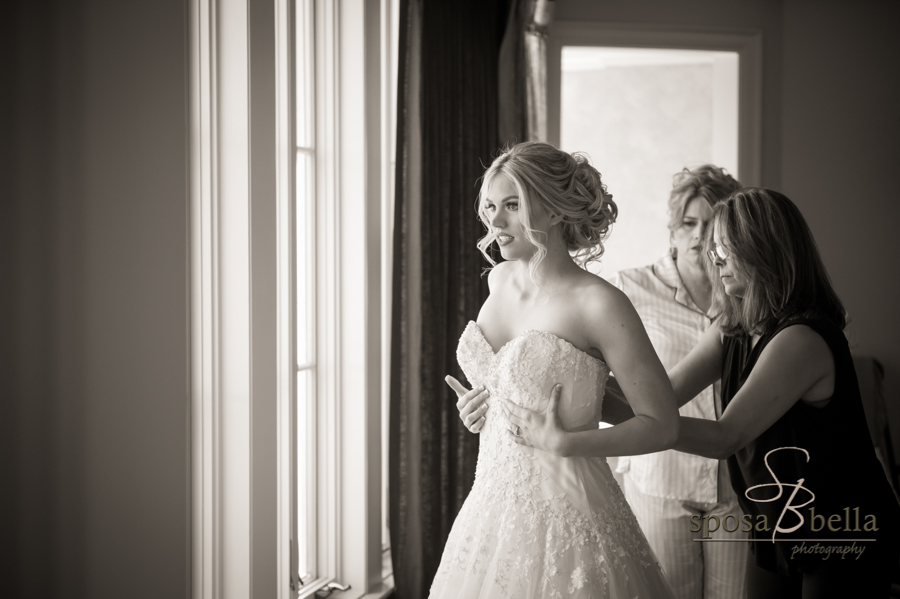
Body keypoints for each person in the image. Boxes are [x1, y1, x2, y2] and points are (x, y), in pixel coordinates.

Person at [504, 188, 900, 598]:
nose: (716, 261)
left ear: (763, 250)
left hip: (841, 526)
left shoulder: (801, 339)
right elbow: (662, 397)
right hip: (775, 522)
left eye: (726, 250)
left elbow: (724, 438)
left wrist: (623, 431)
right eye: (715, 251)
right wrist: (565, 382)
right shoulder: (730, 327)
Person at [430, 141, 679, 598]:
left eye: (511, 206)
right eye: (490, 207)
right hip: (491, 508)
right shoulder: (499, 279)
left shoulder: (600, 303)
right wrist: (480, 411)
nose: (495, 222)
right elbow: (511, 387)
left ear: (554, 209)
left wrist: (569, 442)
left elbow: (662, 425)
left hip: (573, 514)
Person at [609, 165, 748, 599]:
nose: (699, 237)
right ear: (672, 229)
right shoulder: (629, 290)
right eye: (689, 223)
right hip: (659, 480)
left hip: (736, 486)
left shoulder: (749, 297)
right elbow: (594, 373)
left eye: (711, 226)